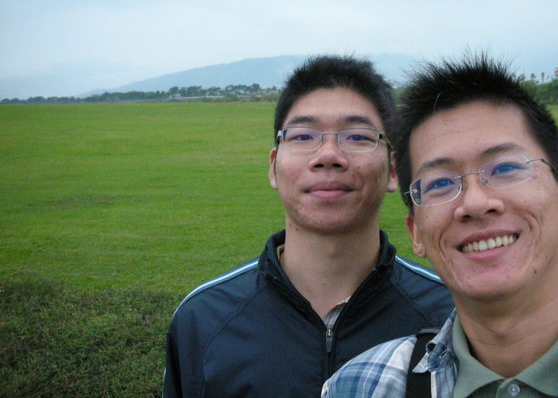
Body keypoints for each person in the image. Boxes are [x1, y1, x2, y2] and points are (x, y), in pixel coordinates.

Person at [322, 55, 558, 397]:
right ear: (416, 233)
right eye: (440, 183)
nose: (474, 203)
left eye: (505, 169)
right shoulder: (362, 386)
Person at [163, 55, 453, 397]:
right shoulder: (203, 319)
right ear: (273, 167)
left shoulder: (450, 315)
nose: (328, 155)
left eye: (357, 137)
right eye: (303, 136)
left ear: (393, 170)